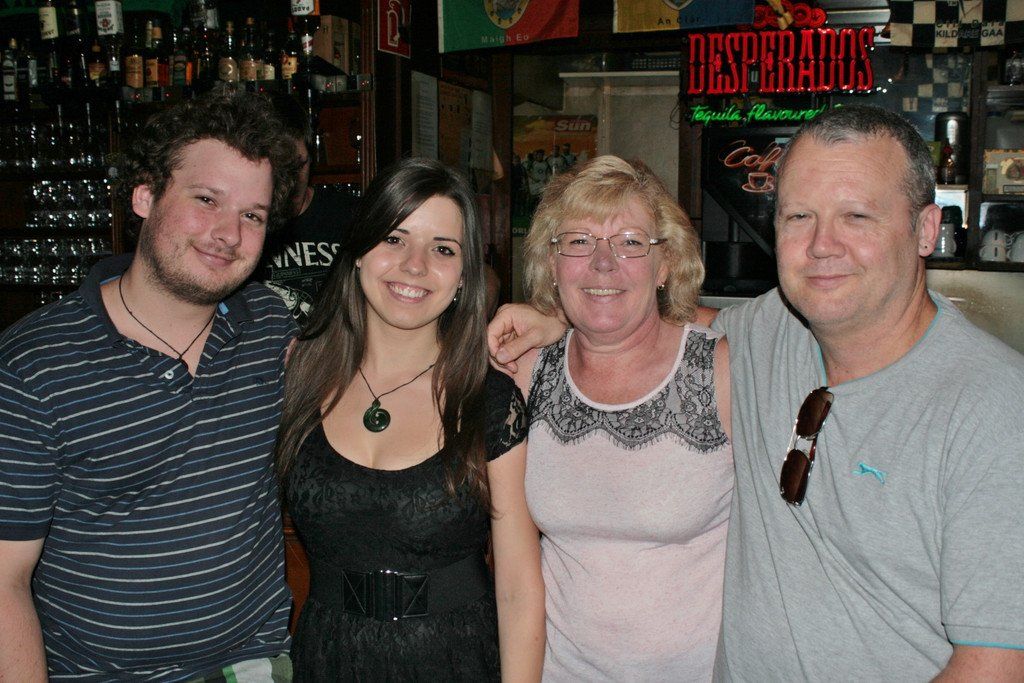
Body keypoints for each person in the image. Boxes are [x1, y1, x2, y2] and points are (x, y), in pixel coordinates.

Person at [489, 106, 1024, 680]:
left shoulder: (989, 405)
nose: (822, 245)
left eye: (856, 215)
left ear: (925, 229)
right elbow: (647, 322)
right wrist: (563, 317)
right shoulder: (769, 332)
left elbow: (995, 664)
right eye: (799, 216)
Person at [0, 92, 302, 681]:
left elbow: (389, 359)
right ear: (145, 196)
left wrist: (510, 324)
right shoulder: (33, 366)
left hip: (252, 665)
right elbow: (4, 581)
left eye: (253, 215)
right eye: (206, 200)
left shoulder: (269, 326)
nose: (228, 233)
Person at [274, 157, 544, 681]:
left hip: (455, 662)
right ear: (357, 252)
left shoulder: (489, 397)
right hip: (328, 660)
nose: (414, 265)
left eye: (443, 249)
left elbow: (518, 587)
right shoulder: (298, 377)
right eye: (394, 238)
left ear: (465, 277)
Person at [507, 155, 732, 680]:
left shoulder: (720, 369)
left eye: (631, 242)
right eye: (578, 241)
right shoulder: (526, 372)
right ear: (551, 264)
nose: (603, 263)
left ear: (665, 264)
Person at [260, 94, 359, 327]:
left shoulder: (351, 215)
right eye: (279, 168)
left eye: (299, 165)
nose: (291, 180)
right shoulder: (244, 227)